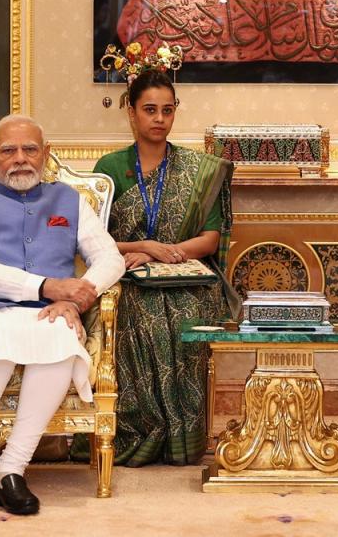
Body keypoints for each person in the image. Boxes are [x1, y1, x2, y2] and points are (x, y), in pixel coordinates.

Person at [0, 114, 125, 518]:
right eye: (8, 151)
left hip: (44, 313)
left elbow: (110, 258)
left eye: (29, 149)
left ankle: (11, 471)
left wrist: (75, 300)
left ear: (46, 154)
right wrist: (45, 287)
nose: (20, 159)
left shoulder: (70, 201)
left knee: (60, 337)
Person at [92, 68, 236, 467]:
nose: (159, 119)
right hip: (127, 277)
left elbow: (208, 241)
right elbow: (94, 240)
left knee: (186, 316)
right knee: (140, 314)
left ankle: (181, 439)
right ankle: (140, 430)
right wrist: (140, 247)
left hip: (188, 277)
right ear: (132, 113)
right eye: (150, 110)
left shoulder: (198, 170)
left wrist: (160, 253)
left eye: (167, 111)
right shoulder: (110, 166)